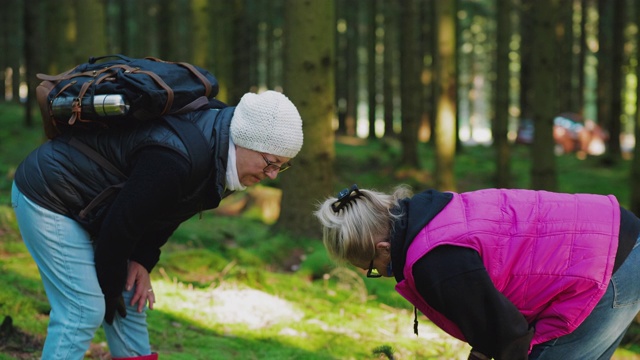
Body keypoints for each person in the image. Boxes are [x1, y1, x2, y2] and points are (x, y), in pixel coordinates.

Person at [11, 90, 304, 360]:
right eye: (271, 162)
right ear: (246, 139)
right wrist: (110, 289)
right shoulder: (178, 158)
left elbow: (168, 209)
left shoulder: (220, 150)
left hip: (96, 207)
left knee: (130, 293)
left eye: (282, 166)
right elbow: (121, 225)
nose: (273, 175)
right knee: (84, 310)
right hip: (51, 195)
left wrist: (141, 259)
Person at [314, 184, 640, 360]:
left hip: (608, 262)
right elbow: (490, 317)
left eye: (374, 269)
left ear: (384, 247)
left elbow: (509, 334)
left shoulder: (433, 261)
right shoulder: (430, 215)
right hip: (615, 237)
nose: (382, 275)